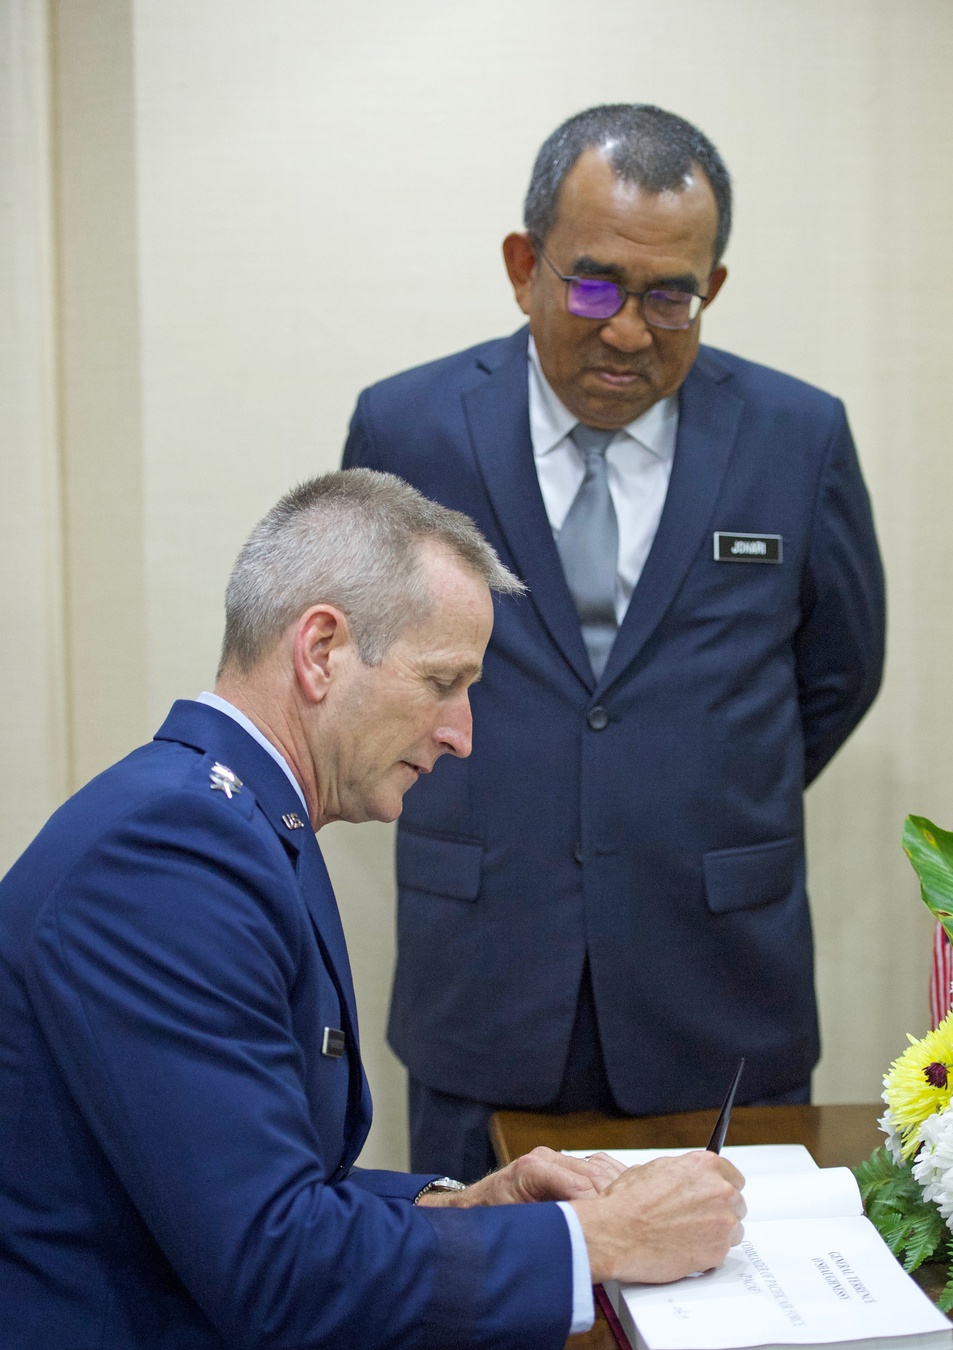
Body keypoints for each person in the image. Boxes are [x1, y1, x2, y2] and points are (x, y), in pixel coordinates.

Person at [0, 469, 746, 1350]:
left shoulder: (232, 817)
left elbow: (242, 1178)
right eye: (444, 683)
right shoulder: (169, 856)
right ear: (320, 651)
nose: (462, 734)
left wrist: (467, 1204)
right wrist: (595, 1241)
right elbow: (274, 1265)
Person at [343, 102, 885, 1166]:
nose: (627, 330)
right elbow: (370, 662)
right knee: (484, 1315)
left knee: (744, 1314)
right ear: (522, 264)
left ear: (711, 288)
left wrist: (697, 784)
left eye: (669, 294)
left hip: (721, 992)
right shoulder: (407, 431)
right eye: (591, 284)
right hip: (487, 986)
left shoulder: (796, 436)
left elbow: (836, 671)